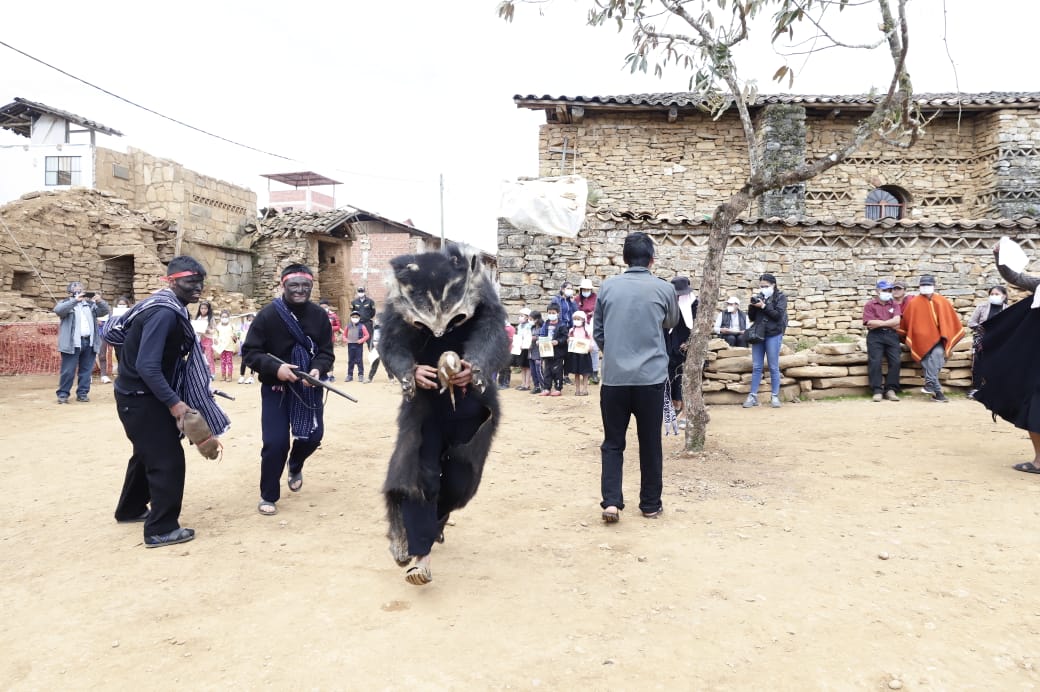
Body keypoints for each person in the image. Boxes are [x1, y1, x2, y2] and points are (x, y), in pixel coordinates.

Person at [377, 243, 510, 585]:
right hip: (423, 405)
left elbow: (493, 334)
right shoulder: (403, 293)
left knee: (460, 481)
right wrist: (408, 371)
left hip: (472, 405)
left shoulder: (476, 287)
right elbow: (390, 344)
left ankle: (433, 521)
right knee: (417, 471)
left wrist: (477, 366)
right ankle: (420, 554)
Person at [111, 256, 230, 548]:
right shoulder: (164, 313)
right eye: (190, 282)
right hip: (142, 397)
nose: (197, 289)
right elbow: (147, 366)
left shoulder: (163, 306)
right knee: (167, 460)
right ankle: (161, 529)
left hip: (136, 395)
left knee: (146, 453)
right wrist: (176, 404)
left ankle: (130, 508)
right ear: (172, 281)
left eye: (200, 283)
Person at [594, 232, 679, 523]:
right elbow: (671, 322)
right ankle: (650, 504)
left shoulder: (607, 287)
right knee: (650, 442)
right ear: (652, 260)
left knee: (613, 442)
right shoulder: (664, 288)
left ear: (624, 259)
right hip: (651, 379)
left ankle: (612, 503)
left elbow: (599, 332)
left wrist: (615, 352)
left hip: (615, 379)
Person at [242, 264, 335, 516]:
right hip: (276, 387)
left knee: (313, 437)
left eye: (305, 285)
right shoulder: (268, 315)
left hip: (308, 387)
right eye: (294, 285)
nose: (300, 290)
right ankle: (268, 495)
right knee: (275, 443)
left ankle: (295, 463)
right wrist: (276, 367)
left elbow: (326, 352)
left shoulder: (319, 316)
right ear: (283, 285)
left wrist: (317, 369)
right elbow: (250, 352)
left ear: (311, 286)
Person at [898, 275, 965, 403]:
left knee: (937, 356)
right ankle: (938, 393)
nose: (925, 287)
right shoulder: (914, 303)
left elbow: (950, 320)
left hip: (939, 340)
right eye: (923, 285)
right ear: (919, 287)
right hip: (919, 340)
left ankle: (929, 384)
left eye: (928, 285)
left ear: (934, 286)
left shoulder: (942, 301)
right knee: (928, 361)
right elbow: (907, 322)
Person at [54, 280, 110, 404]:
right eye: (76, 289)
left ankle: (82, 394)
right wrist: (75, 301)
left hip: (88, 342)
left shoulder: (90, 305)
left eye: (81, 288)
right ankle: (63, 394)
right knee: (68, 371)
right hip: (72, 343)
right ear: (70, 292)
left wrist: (99, 300)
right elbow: (58, 311)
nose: (79, 290)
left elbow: (105, 311)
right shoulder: (66, 303)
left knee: (86, 371)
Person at [743, 273, 789, 409]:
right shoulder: (760, 296)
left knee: (773, 366)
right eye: (761, 286)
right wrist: (753, 305)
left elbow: (778, 316)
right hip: (759, 334)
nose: (763, 288)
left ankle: (774, 396)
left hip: (773, 334)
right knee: (757, 366)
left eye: (766, 286)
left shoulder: (780, 297)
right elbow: (752, 317)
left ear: (773, 285)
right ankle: (752, 395)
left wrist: (764, 306)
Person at [863, 279, 903, 402]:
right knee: (875, 361)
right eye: (885, 290)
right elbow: (869, 323)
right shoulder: (870, 304)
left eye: (889, 290)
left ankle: (891, 389)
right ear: (877, 291)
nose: (888, 292)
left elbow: (897, 321)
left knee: (896, 361)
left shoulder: (894, 304)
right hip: (875, 336)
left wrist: (880, 323)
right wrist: (888, 323)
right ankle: (877, 390)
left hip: (891, 335)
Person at [666, 276, 697, 427]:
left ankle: (686, 411)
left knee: (685, 379)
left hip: (686, 348)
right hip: (670, 346)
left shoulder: (695, 305)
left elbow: (697, 327)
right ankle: (673, 407)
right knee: (670, 377)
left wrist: (689, 342)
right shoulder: (670, 303)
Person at [967, 285, 1008, 399]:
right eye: (992, 294)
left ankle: (995, 390)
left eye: (997, 294)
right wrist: (981, 328)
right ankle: (976, 389)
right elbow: (971, 323)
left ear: (1004, 296)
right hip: (981, 339)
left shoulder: (1008, 309)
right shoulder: (982, 307)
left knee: (997, 364)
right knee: (978, 364)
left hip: (999, 340)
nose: (994, 296)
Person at [97, 295, 130, 384]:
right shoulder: (111, 312)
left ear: (127, 305)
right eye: (120, 304)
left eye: (124, 304)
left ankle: (123, 373)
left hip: (121, 336)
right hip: (107, 333)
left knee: (122, 355)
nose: (122, 306)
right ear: (116, 304)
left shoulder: (130, 312)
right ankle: (103, 375)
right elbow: (102, 319)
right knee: (102, 354)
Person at [538, 305, 568, 397]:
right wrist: (539, 341)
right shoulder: (546, 323)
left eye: (553, 313)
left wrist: (558, 341)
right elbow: (542, 334)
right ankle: (546, 388)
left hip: (558, 352)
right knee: (547, 371)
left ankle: (558, 388)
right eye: (549, 313)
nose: (551, 315)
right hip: (547, 352)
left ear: (558, 313)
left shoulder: (562, 325)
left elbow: (565, 337)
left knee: (557, 371)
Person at [576, 279, 601, 384]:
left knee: (594, 348)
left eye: (588, 289)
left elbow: (599, 311)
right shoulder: (577, 299)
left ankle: (594, 372)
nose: (586, 291)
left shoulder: (596, 298)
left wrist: (592, 313)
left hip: (592, 324)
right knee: (581, 349)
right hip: (580, 325)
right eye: (584, 289)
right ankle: (585, 372)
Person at [566, 310, 594, 396]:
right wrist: (568, 341)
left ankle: (585, 389)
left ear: (583, 319)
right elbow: (569, 340)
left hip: (584, 354)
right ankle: (577, 390)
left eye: (578, 319)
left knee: (585, 372)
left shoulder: (587, 329)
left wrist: (590, 347)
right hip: (575, 354)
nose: (576, 320)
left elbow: (591, 340)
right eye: (575, 319)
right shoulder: (571, 330)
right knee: (576, 372)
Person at [343, 310, 370, 382]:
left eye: (356, 317)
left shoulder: (362, 326)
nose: (355, 318)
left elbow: (367, 335)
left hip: (358, 346)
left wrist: (361, 340)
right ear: (351, 318)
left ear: (359, 318)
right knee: (350, 360)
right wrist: (346, 340)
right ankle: (349, 375)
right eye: (353, 317)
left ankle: (361, 375)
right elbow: (344, 335)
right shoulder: (348, 326)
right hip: (350, 345)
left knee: (359, 360)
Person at [192, 300, 215, 378]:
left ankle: (211, 373)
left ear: (208, 309)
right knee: (200, 357)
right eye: (202, 308)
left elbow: (214, 330)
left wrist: (208, 330)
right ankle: (201, 373)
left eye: (205, 308)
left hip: (208, 339)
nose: (203, 310)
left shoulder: (210, 318)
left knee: (209, 357)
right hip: (199, 339)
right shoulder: (197, 318)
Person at [512, 308, 534, 391]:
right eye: (519, 315)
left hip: (527, 348)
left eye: (522, 316)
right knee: (522, 366)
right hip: (520, 348)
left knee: (527, 367)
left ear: (528, 317)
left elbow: (529, 337)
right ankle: (523, 383)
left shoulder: (530, 326)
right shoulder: (519, 326)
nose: (520, 317)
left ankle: (527, 384)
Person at [528, 310, 546, 395]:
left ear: (537, 319)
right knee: (533, 370)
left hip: (539, 352)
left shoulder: (543, 327)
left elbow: (545, 337)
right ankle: (537, 386)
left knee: (539, 370)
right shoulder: (532, 328)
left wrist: (536, 338)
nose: (530, 320)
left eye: (531, 319)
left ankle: (544, 387)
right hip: (531, 351)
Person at [237, 313, 256, 384]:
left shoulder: (255, 325)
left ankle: (251, 377)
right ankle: (242, 376)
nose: (250, 318)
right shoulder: (243, 325)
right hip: (244, 345)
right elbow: (240, 333)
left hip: (252, 345)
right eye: (249, 317)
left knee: (253, 361)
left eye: (252, 317)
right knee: (243, 361)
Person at [499, 320, 516, 388]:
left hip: (508, 350)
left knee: (506, 368)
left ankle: (506, 383)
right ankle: (500, 383)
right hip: (501, 350)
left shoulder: (510, 328)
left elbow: (512, 339)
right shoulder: (501, 327)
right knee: (501, 368)